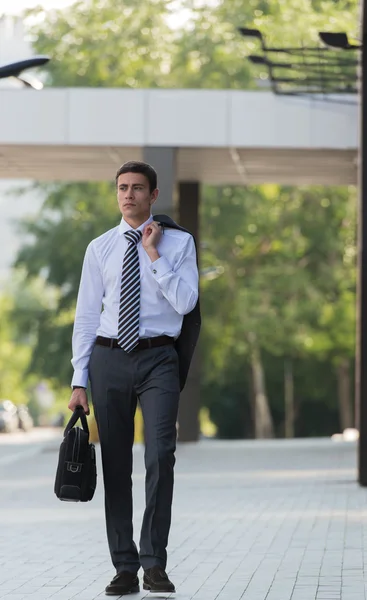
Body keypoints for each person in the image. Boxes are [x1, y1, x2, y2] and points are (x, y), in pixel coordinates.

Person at [68, 161, 199, 596]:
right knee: (115, 464)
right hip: (108, 360)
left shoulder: (179, 243)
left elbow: (185, 302)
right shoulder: (99, 248)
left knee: (161, 455)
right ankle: (124, 566)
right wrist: (79, 379)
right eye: (122, 188)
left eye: (138, 188)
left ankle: (154, 563)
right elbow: (86, 318)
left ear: (153, 195)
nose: (129, 195)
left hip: (158, 357)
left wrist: (153, 254)